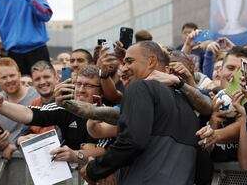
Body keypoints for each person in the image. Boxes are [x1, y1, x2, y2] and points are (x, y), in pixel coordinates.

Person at [81, 41, 202, 184]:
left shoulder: (139, 88)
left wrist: (94, 170)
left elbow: (132, 142)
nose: (124, 68)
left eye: (129, 62)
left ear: (151, 61)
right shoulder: (190, 103)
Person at [0, 65, 103, 165]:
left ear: (101, 90)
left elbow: (105, 150)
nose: (81, 90)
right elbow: (29, 113)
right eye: (78, 84)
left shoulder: (108, 113)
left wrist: (75, 155)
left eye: (89, 86)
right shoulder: (66, 108)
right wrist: (0, 105)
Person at [0, 57, 39, 159]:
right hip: (8, 161)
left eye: (12, 75)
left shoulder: (36, 95)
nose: (9, 80)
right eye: (4, 77)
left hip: (33, 157)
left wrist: (15, 144)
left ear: (19, 75)